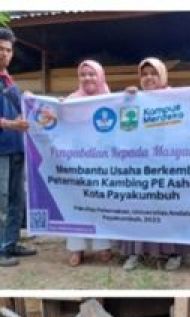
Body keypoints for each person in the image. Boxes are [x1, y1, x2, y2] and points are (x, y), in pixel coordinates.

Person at [117, 58, 190, 272]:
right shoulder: (134, 99)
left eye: (154, 73)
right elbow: (125, 129)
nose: (149, 77)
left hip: (168, 164)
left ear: (162, 75)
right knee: (139, 209)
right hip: (140, 164)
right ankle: (136, 252)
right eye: (144, 74)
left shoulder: (175, 98)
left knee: (168, 208)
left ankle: (173, 253)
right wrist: (126, 100)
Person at [65, 60, 114, 267]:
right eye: (83, 75)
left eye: (92, 74)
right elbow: (54, 117)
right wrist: (35, 101)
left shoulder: (111, 100)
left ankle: (103, 245)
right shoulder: (72, 100)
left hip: (103, 160)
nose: (87, 78)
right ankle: (76, 248)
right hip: (78, 160)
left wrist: (132, 95)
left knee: (101, 202)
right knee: (77, 204)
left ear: (100, 76)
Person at [0, 27, 32, 268]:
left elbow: (22, 109)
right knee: (1, 201)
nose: (4, 54)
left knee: (16, 200)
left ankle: (10, 243)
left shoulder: (9, 79)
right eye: (0, 49)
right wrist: (12, 124)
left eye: (8, 50)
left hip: (16, 148)